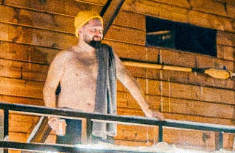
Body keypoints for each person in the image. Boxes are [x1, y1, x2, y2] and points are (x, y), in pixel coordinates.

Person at [43, 10, 163, 145]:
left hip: (101, 121)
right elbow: (49, 88)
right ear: (80, 31)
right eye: (93, 30)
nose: (98, 34)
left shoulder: (107, 55)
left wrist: (147, 109)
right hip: (72, 119)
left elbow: (127, 79)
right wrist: (52, 117)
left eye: (100, 30)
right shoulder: (65, 57)